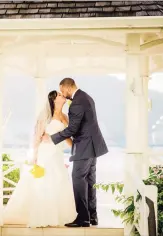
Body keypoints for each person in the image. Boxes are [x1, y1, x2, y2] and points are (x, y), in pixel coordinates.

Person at [3, 90, 76, 227]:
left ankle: (58, 216)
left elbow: (67, 137)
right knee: (43, 182)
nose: (63, 96)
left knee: (59, 180)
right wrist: (34, 157)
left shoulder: (65, 117)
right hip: (45, 153)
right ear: (54, 100)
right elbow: (37, 138)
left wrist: (76, 149)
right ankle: (42, 215)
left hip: (58, 154)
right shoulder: (45, 118)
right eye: (60, 95)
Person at [42, 78, 108, 227]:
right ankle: (92, 216)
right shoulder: (87, 97)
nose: (62, 94)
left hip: (84, 147)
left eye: (62, 91)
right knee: (90, 182)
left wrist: (52, 138)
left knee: (78, 180)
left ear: (67, 87)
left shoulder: (77, 102)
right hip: (92, 147)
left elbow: (73, 130)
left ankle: (83, 218)